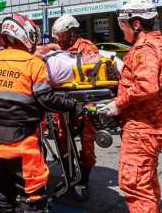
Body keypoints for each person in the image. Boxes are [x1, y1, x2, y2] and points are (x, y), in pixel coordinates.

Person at [0, 13, 85, 212]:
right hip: (21, 144)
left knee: (2, 193)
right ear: (27, 36)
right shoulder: (32, 64)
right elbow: (47, 99)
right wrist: (72, 105)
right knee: (32, 197)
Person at [98, 0, 162, 213]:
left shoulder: (144, 49)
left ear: (136, 24)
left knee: (134, 183)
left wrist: (118, 103)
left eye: (123, 26)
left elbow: (146, 87)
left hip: (144, 126)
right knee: (146, 178)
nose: (122, 32)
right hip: (159, 120)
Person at [50, 13, 100, 200]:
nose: (58, 39)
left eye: (61, 35)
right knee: (62, 139)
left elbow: (93, 78)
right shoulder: (56, 49)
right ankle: (69, 174)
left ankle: (83, 179)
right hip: (62, 104)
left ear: (71, 32)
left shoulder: (87, 48)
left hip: (84, 103)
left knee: (87, 143)